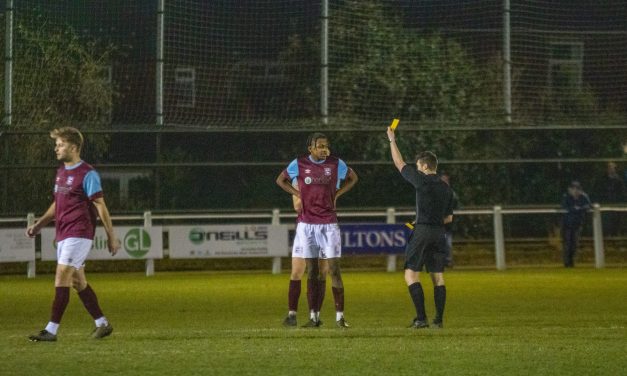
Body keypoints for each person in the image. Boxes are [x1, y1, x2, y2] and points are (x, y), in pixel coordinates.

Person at [26, 127, 120, 342]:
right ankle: (102, 323)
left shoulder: (88, 174)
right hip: (64, 233)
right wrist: (39, 225)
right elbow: (57, 204)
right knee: (78, 282)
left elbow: (100, 206)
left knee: (62, 276)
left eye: (60, 144)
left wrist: (111, 236)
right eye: (56, 144)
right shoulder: (61, 172)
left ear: (74, 147)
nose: (56, 148)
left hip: (80, 233)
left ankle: (51, 331)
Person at [276, 132, 358, 328]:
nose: (324, 149)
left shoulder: (336, 164)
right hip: (306, 225)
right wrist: (299, 194)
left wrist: (337, 194)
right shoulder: (299, 164)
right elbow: (280, 180)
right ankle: (313, 317)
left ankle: (340, 317)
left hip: (329, 224)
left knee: (333, 270)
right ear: (310, 148)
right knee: (311, 272)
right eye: (320, 146)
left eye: (326, 145)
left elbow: (353, 178)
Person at [387, 126, 454, 329]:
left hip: (423, 231)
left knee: (410, 274)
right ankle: (439, 320)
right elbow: (449, 218)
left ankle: (421, 318)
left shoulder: (421, 180)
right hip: (439, 233)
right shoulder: (446, 188)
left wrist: (392, 140)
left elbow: (399, 163)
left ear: (424, 166)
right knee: (438, 277)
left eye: (418, 167)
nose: (416, 170)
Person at [561, 181, 591, 268]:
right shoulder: (566, 197)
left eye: (577, 189)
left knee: (574, 243)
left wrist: (579, 209)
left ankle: (572, 261)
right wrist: (575, 209)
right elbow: (564, 207)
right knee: (567, 243)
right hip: (567, 224)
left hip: (577, 224)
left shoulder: (583, 196)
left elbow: (588, 206)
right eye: (573, 189)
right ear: (570, 189)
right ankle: (567, 262)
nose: (575, 191)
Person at [594, 162, 625, 236]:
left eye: (612, 168)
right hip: (605, 203)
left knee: (616, 221)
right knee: (606, 222)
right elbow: (599, 190)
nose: (611, 170)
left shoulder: (619, 180)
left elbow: (622, 192)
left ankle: (615, 235)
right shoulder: (602, 179)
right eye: (609, 168)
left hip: (615, 204)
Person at [439, 171, 460, 268]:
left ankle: (448, 261)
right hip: (437, 225)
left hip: (447, 225)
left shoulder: (452, 194)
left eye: (446, 180)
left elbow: (455, 208)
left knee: (447, 244)